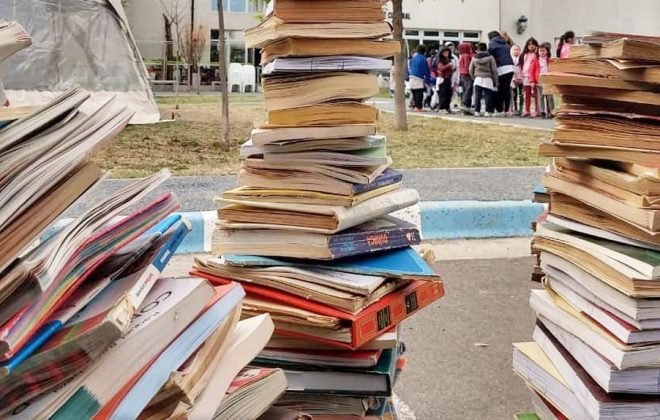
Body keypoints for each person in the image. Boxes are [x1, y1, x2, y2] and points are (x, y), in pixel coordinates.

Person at [487, 31, 515, 116]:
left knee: (499, 90)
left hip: (500, 68)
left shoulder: (492, 43)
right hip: (510, 68)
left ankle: (500, 110)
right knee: (506, 89)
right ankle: (506, 110)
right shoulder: (505, 43)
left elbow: (491, 57)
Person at [469, 42, 498, 117]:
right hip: (488, 79)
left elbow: (470, 69)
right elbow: (494, 70)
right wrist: (496, 81)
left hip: (478, 79)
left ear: (478, 49)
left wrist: (474, 77)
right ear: (486, 48)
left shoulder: (474, 58)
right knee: (488, 96)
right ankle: (487, 111)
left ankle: (477, 111)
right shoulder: (490, 57)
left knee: (477, 96)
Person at [519, 37, 540, 117]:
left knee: (535, 93)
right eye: (529, 44)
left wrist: (536, 51)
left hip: (534, 76)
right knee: (526, 94)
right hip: (525, 75)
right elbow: (522, 64)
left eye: (533, 44)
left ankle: (537, 110)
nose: (531, 46)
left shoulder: (536, 55)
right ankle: (527, 110)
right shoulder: (524, 54)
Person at [408, 44, 430, 112]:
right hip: (419, 77)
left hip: (411, 76)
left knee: (414, 92)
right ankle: (419, 107)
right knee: (419, 93)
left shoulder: (414, 58)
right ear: (424, 51)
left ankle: (415, 106)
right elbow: (426, 69)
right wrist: (428, 78)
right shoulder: (423, 58)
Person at [435, 46, 454, 113]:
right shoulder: (440, 60)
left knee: (448, 94)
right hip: (442, 78)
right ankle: (441, 108)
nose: (447, 54)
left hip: (448, 78)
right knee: (442, 94)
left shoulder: (448, 59)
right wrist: (448, 65)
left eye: (448, 53)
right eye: (445, 53)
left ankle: (446, 107)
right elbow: (441, 68)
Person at [537, 42, 555, 118]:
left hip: (548, 80)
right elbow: (532, 71)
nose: (542, 52)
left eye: (543, 51)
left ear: (547, 51)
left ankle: (552, 111)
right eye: (540, 51)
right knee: (541, 97)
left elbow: (553, 69)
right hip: (539, 81)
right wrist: (532, 81)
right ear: (538, 52)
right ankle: (542, 111)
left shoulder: (550, 61)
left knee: (550, 97)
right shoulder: (535, 61)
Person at [458, 41, 475, 113]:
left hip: (462, 75)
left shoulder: (462, 55)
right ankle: (465, 105)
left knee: (465, 90)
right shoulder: (467, 55)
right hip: (467, 74)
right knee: (468, 90)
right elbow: (468, 66)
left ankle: (466, 106)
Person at [509, 44, 523, 116]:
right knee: (514, 94)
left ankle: (521, 109)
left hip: (521, 78)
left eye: (518, 50)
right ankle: (514, 108)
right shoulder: (510, 59)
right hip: (513, 78)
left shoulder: (521, 59)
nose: (516, 51)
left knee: (521, 94)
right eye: (515, 50)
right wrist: (513, 78)